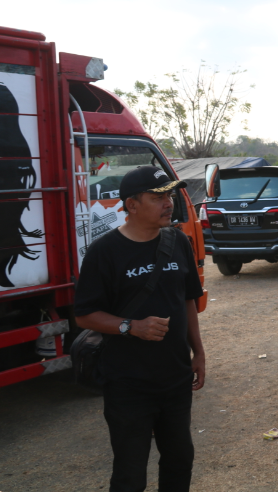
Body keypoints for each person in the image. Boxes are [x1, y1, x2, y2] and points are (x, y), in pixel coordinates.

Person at [74, 165, 205, 492]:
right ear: (131, 205)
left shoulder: (178, 242)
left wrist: (199, 351)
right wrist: (131, 326)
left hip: (175, 378)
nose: (169, 203)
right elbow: (84, 316)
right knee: (130, 473)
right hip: (128, 384)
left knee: (179, 460)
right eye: (158, 197)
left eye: (170, 195)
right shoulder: (104, 252)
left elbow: (188, 300)